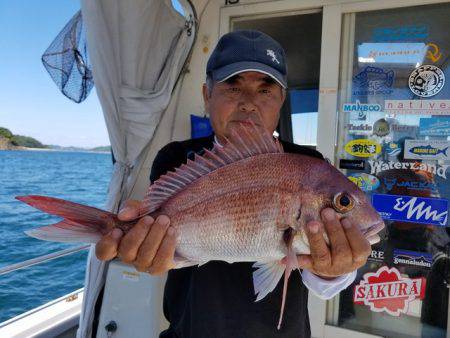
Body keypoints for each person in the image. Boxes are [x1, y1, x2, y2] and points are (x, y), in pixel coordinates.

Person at [94, 30, 371, 337]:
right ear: (206, 95)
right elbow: (164, 251)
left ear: (281, 100)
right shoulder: (176, 158)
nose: (249, 104)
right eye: (233, 86)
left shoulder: (307, 162)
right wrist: (144, 248)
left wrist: (334, 270)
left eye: (265, 90)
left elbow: (321, 284)